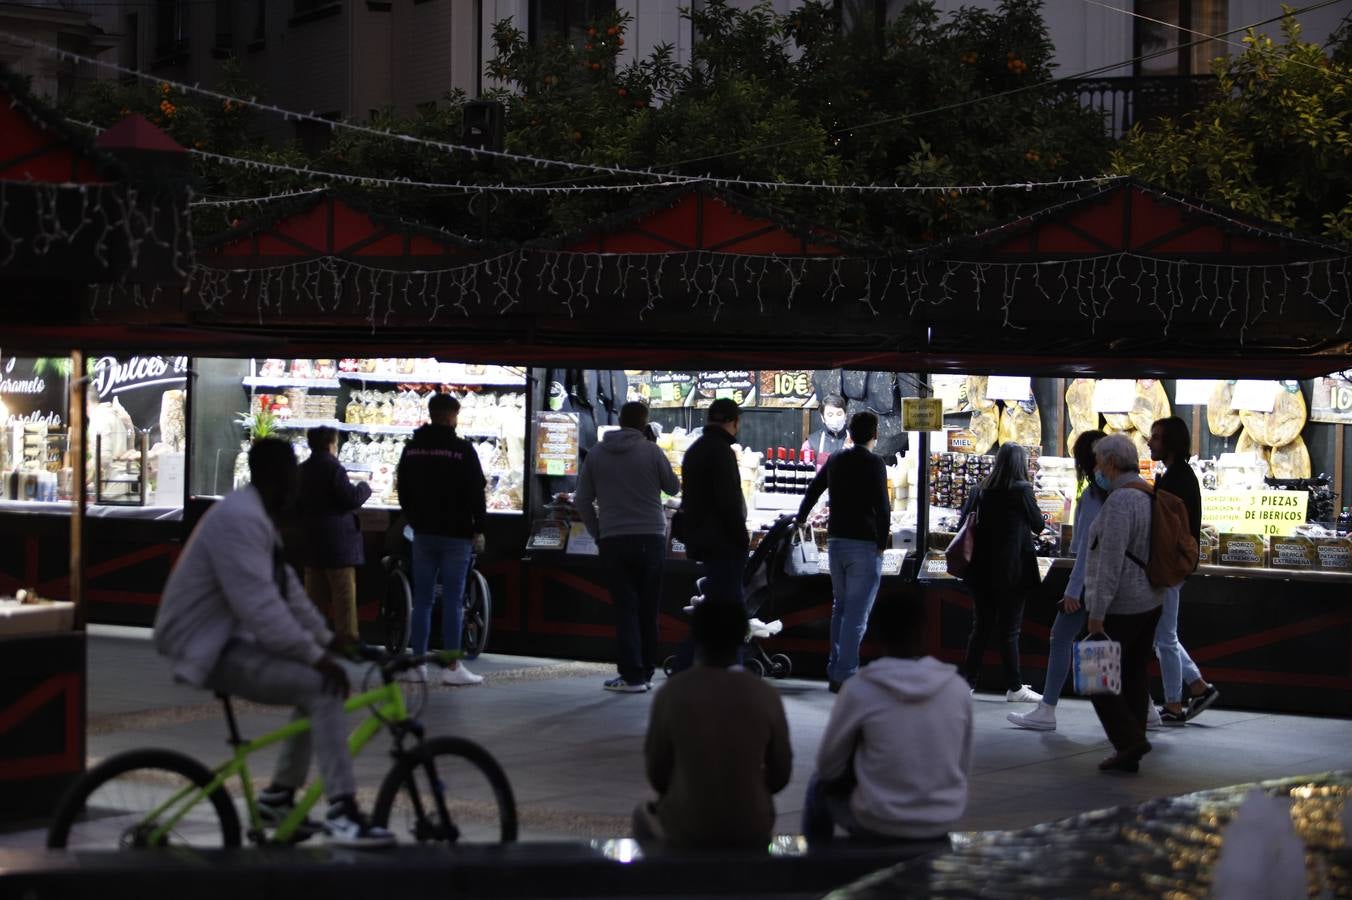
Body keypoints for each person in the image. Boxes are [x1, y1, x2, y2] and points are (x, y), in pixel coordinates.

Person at [153, 439, 393, 846]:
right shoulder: (241, 520)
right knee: (323, 687)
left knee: (313, 688)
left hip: (225, 637)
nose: (296, 484)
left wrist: (333, 641)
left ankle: (279, 798)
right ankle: (342, 811)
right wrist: (318, 658)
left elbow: (288, 593)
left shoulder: (255, 515)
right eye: (290, 475)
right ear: (273, 477)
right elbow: (262, 608)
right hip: (205, 644)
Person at [803, 598, 972, 843]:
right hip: (941, 819)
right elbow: (963, 766)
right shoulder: (957, 688)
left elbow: (828, 766)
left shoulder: (860, 688)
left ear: (875, 635)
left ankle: (817, 865)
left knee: (817, 784)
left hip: (877, 819)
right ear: (925, 632)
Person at [633, 600, 792, 849]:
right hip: (751, 827)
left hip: (688, 827)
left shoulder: (673, 692)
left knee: (641, 814)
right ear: (743, 636)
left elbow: (657, 775)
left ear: (695, 635)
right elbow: (781, 774)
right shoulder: (766, 695)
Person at [575, 400, 681, 693]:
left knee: (625, 609)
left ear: (619, 421)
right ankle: (645, 672)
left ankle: (632, 675)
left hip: (614, 539)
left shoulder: (596, 453)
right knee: (649, 608)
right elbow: (673, 487)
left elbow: (581, 500)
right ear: (645, 424)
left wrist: (599, 532)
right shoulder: (651, 450)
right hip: (652, 538)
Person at [1009, 431, 1107, 731]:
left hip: (1091, 583)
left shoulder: (1092, 495)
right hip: (1118, 583)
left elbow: (1087, 550)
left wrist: (1073, 590)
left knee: (1062, 637)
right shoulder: (1126, 492)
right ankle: (1143, 712)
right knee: (1117, 645)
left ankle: (1047, 708)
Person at [1084, 433, 1166, 773]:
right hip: (1149, 600)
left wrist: (1097, 613)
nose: (1096, 469)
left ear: (1112, 463)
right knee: (1132, 674)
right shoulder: (1146, 494)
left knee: (1094, 674)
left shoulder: (1120, 501)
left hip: (1122, 604)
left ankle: (1129, 741)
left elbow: (1110, 560)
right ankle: (1131, 747)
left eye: (1099, 462)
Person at [396, 392, 487, 686]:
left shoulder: (412, 449)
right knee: (453, 600)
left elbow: (403, 489)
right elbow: (477, 492)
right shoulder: (462, 450)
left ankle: (419, 665)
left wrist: (414, 518)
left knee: (421, 601)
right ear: (451, 416)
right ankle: (452, 667)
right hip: (456, 535)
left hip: (423, 534)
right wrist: (479, 528)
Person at [797, 411, 891, 692]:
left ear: (849, 433)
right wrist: (882, 542)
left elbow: (814, 489)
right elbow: (882, 505)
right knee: (856, 615)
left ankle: (835, 668)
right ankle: (846, 674)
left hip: (836, 542)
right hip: (863, 544)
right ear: (875, 434)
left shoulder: (837, 458)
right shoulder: (875, 463)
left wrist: (801, 518)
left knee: (840, 608)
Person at [957, 442, 1044, 702]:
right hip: (1012, 572)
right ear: (1021, 464)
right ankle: (1015, 687)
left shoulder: (979, 489)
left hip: (980, 571)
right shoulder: (1022, 490)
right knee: (1009, 631)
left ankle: (967, 683)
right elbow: (1039, 525)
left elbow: (963, 524)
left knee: (980, 629)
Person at [1149, 416, 1220, 724]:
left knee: (1164, 637)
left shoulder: (1176, 479)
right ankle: (1198, 686)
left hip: (1169, 567)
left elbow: (1166, 530)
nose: (1150, 442)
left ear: (1171, 443)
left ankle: (1175, 704)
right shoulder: (1178, 475)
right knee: (1164, 636)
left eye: (1156, 438)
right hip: (1175, 566)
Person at [670, 397, 748, 673]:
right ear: (734, 422)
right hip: (724, 543)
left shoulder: (695, 450)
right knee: (730, 609)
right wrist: (742, 540)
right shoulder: (721, 452)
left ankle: (688, 664)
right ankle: (727, 667)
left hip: (704, 540)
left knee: (715, 607)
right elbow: (728, 504)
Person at [297, 426, 371, 647]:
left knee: (314, 596)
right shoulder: (333, 468)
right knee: (343, 596)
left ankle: (314, 640)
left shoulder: (302, 469)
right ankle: (348, 642)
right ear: (332, 444)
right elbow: (350, 499)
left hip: (312, 540)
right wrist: (365, 487)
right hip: (337, 543)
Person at [801, 394, 849, 470]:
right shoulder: (811, 443)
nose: (835, 418)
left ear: (845, 415)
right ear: (823, 418)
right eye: (830, 415)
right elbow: (806, 473)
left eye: (839, 414)